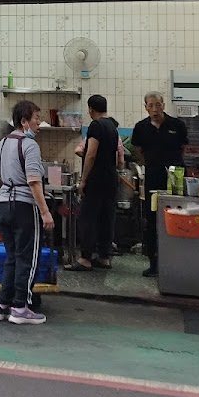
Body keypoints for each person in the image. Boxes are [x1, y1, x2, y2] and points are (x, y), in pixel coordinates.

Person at [0, 100, 54, 325]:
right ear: (24, 122)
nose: (39, 124)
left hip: (3, 205)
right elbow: (34, 181)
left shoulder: (4, 142)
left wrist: (6, 187)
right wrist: (45, 213)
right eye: (36, 119)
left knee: (12, 257)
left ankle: (2, 304)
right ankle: (20, 308)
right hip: (24, 207)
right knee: (27, 258)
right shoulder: (30, 145)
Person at [130, 91, 189, 277]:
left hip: (175, 177)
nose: (155, 109)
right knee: (152, 218)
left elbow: (183, 148)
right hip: (152, 178)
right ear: (145, 107)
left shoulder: (177, 125)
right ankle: (154, 262)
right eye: (150, 105)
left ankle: (177, 261)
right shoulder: (141, 127)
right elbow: (137, 150)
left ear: (163, 105)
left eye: (158, 104)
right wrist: (148, 164)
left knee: (176, 217)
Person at [67, 94, 120, 272]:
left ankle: (85, 258)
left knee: (88, 218)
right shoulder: (112, 126)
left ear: (91, 109)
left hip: (96, 179)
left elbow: (91, 154)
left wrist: (84, 180)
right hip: (111, 179)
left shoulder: (96, 126)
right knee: (106, 218)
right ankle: (104, 257)